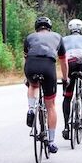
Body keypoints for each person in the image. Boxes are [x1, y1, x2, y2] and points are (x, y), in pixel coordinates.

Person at [24, 16, 68, 154]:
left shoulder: (29, 37)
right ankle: (51, 141)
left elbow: (26, 58)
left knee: (33, 85)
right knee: (51, 106)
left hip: (31, 65)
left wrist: (27, 77)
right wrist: (65, 79)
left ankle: (31, 109)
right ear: (50, 28)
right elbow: (63, 61)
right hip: (48, 66)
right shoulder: (58, 37)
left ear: (36, 28)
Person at [61, 19, 82, 140]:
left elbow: (60, 56)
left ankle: (66, 127)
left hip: (70, 64)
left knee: (67, 96)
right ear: (81, 29)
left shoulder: (63, 39)